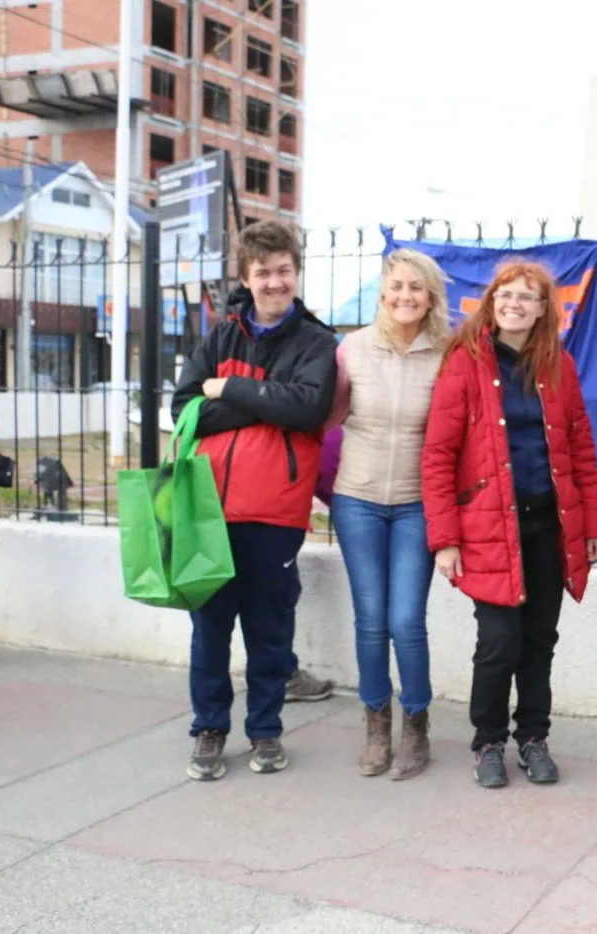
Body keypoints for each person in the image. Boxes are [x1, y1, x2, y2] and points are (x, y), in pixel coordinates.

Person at [421, 261, 597, 789]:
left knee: (539, 640)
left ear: (545, 308)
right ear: (491, 301)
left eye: (529, 297)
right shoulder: (465, 362)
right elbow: (437, 456)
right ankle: (488, 742)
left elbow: (580, 449)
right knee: (499, 642)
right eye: (506, 294)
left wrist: (595, 524)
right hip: (487, 530)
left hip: (548, 527)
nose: (516, 304)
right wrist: (445, 539)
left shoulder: (559, 366)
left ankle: (533, 737)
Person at [171, 220, 339, 781]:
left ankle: (265, 729)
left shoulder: (318, 342)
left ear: (296, 272)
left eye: (284, 270)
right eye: (263, 272)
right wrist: (271, 399)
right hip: (208, 510)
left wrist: (232, 389)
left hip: (275, 513)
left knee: (270, 630)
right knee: (210, 629)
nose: (274, 282)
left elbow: (309, 410)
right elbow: (184, 409)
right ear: (247, 276)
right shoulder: (218, 338)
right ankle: (209, 728)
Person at [326, 248, 450, 779]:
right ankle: (377, 727)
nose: (406, 296)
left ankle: (416, 724)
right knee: (371, 621)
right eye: (397, 286)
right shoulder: (351, 349)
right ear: (383, 291)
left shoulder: (447, 353)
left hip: (417, 504)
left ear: (430, 298)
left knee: (406, 620)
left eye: (416, 289)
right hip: (357, 499)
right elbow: (325, 417)